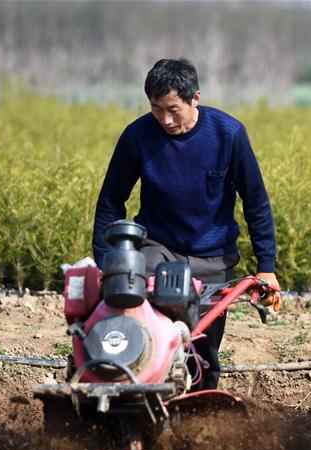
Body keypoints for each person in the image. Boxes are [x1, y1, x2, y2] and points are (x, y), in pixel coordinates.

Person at [92, 57, 280, 391]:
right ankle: (131, 394)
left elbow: (256, 203)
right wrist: (108, 262)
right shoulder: (137, 137)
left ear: (196, 98)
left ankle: (199, 407)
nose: (165, 119)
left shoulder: (229, 134)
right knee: (139, 327)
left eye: (173, 109)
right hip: (158, 247)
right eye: (156, 109)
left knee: (201, 351)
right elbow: (110, 201)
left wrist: (266, 268)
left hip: (212, 255)